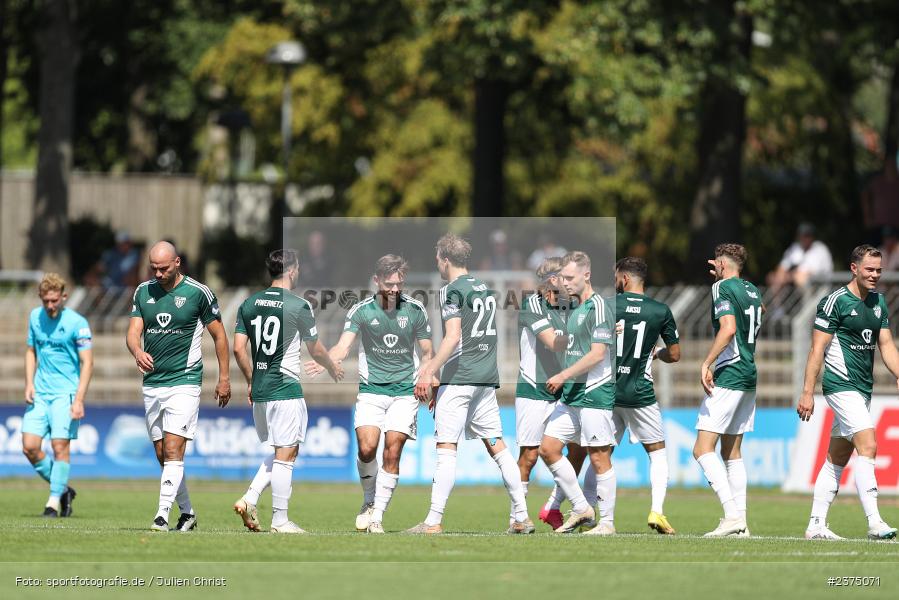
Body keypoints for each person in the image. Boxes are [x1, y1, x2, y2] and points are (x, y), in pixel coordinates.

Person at [406, 233, 532, 534]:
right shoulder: (484, 288)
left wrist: (429, 371)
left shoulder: (451, 290)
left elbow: (453, 337)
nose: (437, 263)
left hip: (461, 377)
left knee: (447, 448)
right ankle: (521, 517)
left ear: (445, 259)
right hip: (485, 376)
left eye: (438, 258)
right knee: (499, 447)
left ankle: (433, 521)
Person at [308, 255, 432, 533]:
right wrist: (327, 360)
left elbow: (427, 353)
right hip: (371, 390)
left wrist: (426, 374)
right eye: (389, 284)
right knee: (366, 448)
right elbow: (343, 347)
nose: (395, 289)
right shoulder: (361, 311)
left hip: (404, 391)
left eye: (400, 284)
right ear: (376, 280)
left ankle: (377, 515)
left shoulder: (415, 310)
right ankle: (368, 500)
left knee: (393, 450)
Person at [232, 249, 343, 534]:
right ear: (293, 270)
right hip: (285, 387)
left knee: (283, 450)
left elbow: (237, 348)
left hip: (260, 391)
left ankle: (250, 498)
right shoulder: (298, 306)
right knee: (287, 454)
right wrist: (331, 366)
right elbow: (315, 349)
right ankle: (280, 520)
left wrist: (250, 381)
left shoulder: (249, 303)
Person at [126, 241, 232, 532]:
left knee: (174, 449)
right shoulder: (142, 291)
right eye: (153, 268)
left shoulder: (198, 293)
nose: (158, 274)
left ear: (177, 263)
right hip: (153, 383)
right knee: (163, 454)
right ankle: (188, 513)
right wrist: (137, 351)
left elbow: (220, 337)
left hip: (184, 382)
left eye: (163, 268)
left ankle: (161, 515)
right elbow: (133, 333)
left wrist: (224, 378)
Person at [798, 245, 898, 541]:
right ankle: (875, 522)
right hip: (841, 386)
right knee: (868, 445)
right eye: (869, 269)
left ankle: (816, 524)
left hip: (862, 389)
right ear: (854, 268)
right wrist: (807, 392)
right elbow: (817, 349)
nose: (875, 275)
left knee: (837, 458)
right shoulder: (835, 302)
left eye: (879, 270)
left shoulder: (879, 302)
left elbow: (887, 346)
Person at [539, 251, 617, 535]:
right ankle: (582, 507)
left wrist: (562, 375)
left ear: (587, 275)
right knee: (548, 449)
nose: (566, 283)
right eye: (563, 278)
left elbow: (597, 354)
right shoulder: (575, 308)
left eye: (571, 278)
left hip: (594, 393)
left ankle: (606, 523)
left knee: (598, 457)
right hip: (572, 395)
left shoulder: (599, 307)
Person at [693, 243, 761, 538]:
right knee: (732, 451)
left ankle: (732, 515)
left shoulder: (721, 287)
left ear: (721, 265)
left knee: (702, 449)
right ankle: (741, 524)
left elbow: (729, 327)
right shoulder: (752, 289)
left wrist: (707, 361)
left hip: (730, 372)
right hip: (749, 373)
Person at [613, 257, 680, 535]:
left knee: (601, 454)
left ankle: (594, 514)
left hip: (609, 391)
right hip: (640, 393)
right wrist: (657, 353)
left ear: (625, 279)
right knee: (658, 454)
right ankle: (657, 511)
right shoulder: (659, 310)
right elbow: (675, 355)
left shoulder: (607, 305)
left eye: (617, 277)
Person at [22, 274, 93, 517]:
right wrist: (29, 383)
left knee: (59, 446)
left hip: (66, 394)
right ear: (41, 298)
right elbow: (31, 351)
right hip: (40, 392)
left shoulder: (77, 323)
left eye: (55, 300)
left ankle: (53, 502)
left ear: (64, 296)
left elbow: (87, 363)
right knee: (29, 447)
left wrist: (79, 399)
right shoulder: (34, 317)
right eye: (46, 301)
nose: (51, 306)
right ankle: (63, 489)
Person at [514, 257, 567, 527]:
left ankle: (556, 507)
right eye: (565, 277)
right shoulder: (532, 304)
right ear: (552, 281)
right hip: (534, 391)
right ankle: (518, 516)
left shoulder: (569, 306)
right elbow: (553, 343)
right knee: (530, 456)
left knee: (579, 450)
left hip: (563, 392)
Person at [766, 223, 833, 295]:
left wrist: (785, 278)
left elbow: (804, 274)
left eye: (807, 235)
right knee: (773, 278)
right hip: (795, 285)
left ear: (812, 237)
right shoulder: (795, 248)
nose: (805, 238)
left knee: (800, 280)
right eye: (803, 235)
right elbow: (782, 268)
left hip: (819, 288)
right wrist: (779, 277)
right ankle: (777, 306)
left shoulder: (820, 249)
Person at [861, 162, 899, 245]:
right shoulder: (877, 181)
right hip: (878, 225)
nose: (891, 169)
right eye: (889, 166)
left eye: (893, 166)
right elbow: (865, 194)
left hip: (896, 225)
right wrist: (867, 215)